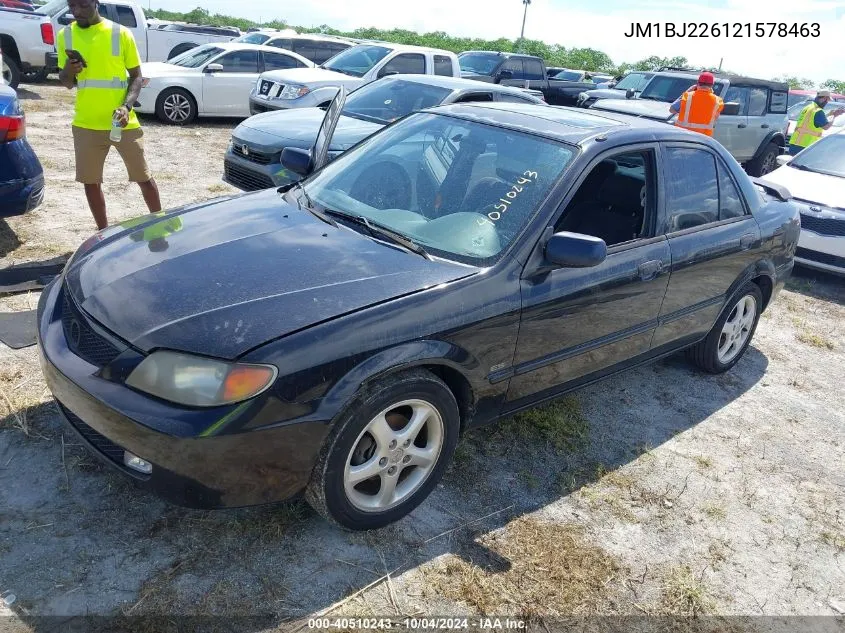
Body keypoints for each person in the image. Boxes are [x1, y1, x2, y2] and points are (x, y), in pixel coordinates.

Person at [57, 0, 161, 230]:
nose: (77, 12)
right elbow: (65, 83)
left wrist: (126, 107)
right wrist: (68, 71)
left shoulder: (120, 33)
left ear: (96, 3)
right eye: (72, 6)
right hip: (86, 123)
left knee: (143, 177)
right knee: (90, 182)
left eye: (83, 5)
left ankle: (160, 226)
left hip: (123, 122)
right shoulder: (65, 34)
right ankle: (102, 234)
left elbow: (136, 76)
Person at [788, 90, 845, 155]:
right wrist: (834, 115)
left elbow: (813, 120)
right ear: (824, 98)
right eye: (827, 101)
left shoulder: (808, 108)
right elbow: (826, 127)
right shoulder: (818, 111)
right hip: (806, 146)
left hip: (795, 143)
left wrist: (830, 114)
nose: (826, 103)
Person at [669, 72, 725, 137]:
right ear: (712, 85)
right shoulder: (718, 101)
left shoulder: (687, 96)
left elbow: (671, 109)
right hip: (703, 140)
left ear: (698, 83)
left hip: (682, 137)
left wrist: (688, 91)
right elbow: (715, 118)